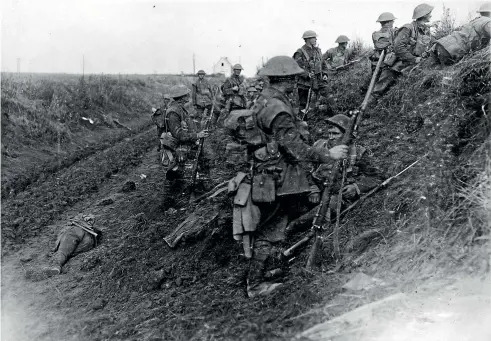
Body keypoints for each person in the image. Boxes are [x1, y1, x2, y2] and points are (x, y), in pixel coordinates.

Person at [224, 56, 349, 298]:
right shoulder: (278, 109)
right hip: (277, 178)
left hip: (265, 173)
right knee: (271, 230)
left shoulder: (264, 98)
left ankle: (269, 270)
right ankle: (256, 285)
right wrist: (328, 154)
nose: (296, 82)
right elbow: (296, 148)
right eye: (294, 78)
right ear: (288, 80)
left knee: (274, 226)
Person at [308, 114, 384, 212]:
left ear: (347, 134)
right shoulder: (319, 146)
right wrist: (312, 188)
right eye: (329, 133)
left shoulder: (359, 152)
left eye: (335, 134)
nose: (331, 137)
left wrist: (356, 187)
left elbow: (377, 177)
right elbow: (303, 168)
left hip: (337, 197)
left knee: (328, 207)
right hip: (316, 191)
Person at [160, 85, 210, 183]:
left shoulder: (179, 108)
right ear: (182, 97)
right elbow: (179, 135)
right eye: (186, 94)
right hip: (176, 147)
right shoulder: (173, 112)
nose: (188, 95)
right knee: (178, 176)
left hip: (182, 144)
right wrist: (197, 136)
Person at [293, 30, 330, 112]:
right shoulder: (300, 52)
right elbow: (296, 67)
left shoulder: (318, 50)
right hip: (304, 83)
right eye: (314, 38)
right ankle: (303, 122)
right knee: (304, 105)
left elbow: (323, 64)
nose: (316, 40)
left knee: (328, 96)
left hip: (318, 80)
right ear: (308, 39)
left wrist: (324, 74)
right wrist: (307, 74)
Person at [393, 3, 434, 72]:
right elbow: (398, 48)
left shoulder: (425, 30)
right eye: (430, 13)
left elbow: (433, 42)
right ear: (424, 15)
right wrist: (414, 59)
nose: (431, 15)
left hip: (418, 62)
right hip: (403, 63)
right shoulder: (408, 28)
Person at [369, 12, 399, 103]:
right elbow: (380, 45)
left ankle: (374, 98)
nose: (393, 22)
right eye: (392, 21)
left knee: (376, 81)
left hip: (379, 62)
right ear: (388, 22)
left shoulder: (376, 34)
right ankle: (373, 100)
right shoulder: (393, 32)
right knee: (380, 82)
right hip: (384, 62)